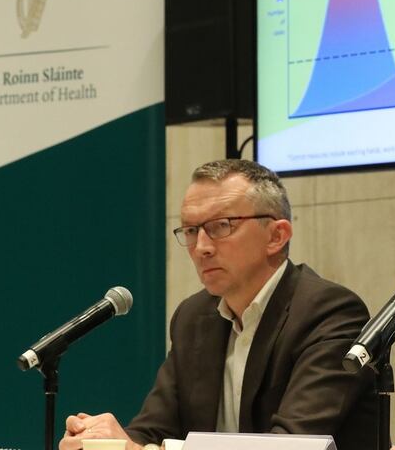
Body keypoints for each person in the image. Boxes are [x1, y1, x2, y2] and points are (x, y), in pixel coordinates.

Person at [60, 159, 377, 450]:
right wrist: (102, 442)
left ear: (276, 236)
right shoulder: (193, 317)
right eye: (191, 230)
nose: (201, 247)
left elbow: (292, 444)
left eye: (221, 226)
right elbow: (151, 431)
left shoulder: (330, 313)